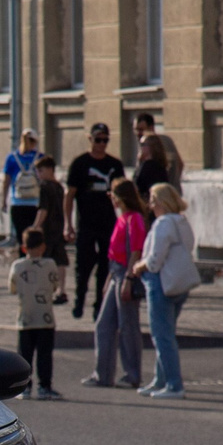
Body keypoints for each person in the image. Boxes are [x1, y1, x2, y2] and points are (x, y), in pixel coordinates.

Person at [85, 178, 150, 389]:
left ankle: (132, 375)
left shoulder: (135, 219)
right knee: (104, 324)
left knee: (128, 326)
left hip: (126, 274)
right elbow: (114, 254)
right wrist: (108, 280)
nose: (110, 198)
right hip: (115, 272)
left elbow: (136, 251)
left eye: (112, 194)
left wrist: (129, 279)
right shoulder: (122, 218)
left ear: (121, 197)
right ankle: (102, 374)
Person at [138, 181, 198, 397]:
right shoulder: (182, 221)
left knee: (162, 335)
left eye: (153, 201)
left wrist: (138, 266)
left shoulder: (163, 223)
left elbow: (154, 261)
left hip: (161, 282)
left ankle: (174, 384)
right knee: (166, 333)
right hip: (180, 282)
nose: (150, 206)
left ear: (162, 202)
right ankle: (160, 379)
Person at [64, 123, 127, 320]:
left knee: (104, 266)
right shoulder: (80, 163)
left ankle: (99, 306)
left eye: (105, 140)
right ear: (90, 139)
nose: (102, 144)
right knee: (83, 265)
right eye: (98, 139)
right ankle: (79, 300)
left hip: (108, 223)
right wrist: (68, 224)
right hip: (86, 223)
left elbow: (122, 193)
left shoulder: (115, 165)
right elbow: (70, 195)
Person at [8, 226, 61, 398]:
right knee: (45, 354)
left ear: (24, 248)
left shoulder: (17, 266)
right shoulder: (50, 264)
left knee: (24, 355)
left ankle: (25, 387)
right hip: (45, 318)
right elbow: (54, 286)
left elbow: (12, 288)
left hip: (25, 318)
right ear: (43, 246)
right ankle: (44, 387)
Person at [33, 154, 68, 301]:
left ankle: (43, 289)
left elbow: (43, 210)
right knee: (60, 261)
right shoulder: (59, 187)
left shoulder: (45, 187)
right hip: (59, 227)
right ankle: (61, 290)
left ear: (49, 169)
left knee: (43, 259)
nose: (38, 174)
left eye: (40, 171)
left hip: (47, 229)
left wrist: (36, 226)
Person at [2, 129, 43, 239]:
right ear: (35, 142)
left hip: (17, 202)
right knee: (36, 238)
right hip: (36, 202)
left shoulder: (12, 158)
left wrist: (4, 200)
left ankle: (23, 255)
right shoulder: (40, 157)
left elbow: (6, 181)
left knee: (22, 238)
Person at [132, 111, 182, 189]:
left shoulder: (158, 144)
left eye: (141, 129)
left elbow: (178, 164)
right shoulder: (164, 140)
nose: (138, 133)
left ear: (151, 128)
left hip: (163, 193)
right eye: (136, 130)